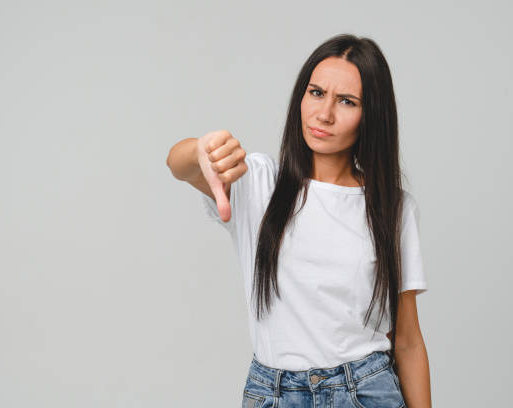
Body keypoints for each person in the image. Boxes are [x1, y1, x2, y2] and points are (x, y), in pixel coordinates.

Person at [167, 33, 432, 408]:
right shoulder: (258, 183)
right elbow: (178, 164)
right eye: (316, 93)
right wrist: (199, 150)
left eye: (346, 101)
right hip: (273, 394)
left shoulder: (393, 207)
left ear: (370, 114)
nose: (324, 114)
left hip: (366, 390)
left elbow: (406, 340)